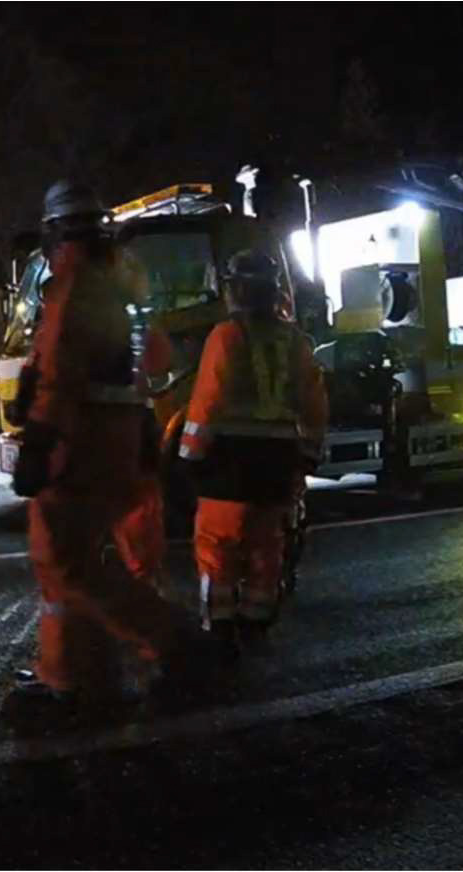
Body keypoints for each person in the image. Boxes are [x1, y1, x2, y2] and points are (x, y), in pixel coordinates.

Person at [10, 180, 176, 703]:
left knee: (70, 562)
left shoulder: (75, 282)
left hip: (79, 441)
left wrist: (38, 438)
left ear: (56, 231)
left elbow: (60, 371)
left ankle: (179, 644)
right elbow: (148, 363)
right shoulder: (114, 284)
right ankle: (78, 673)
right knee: (73, 563)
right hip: (110, 436)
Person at [178, 249, 328, 645]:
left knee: (218, 545)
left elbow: (207, 400)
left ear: (236, 289)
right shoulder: (295, 340)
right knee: (267, 544)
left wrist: (189, 455)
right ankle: (257, 619)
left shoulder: (227, 336)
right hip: (278, 462)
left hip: (228, 462)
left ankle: (221, 625)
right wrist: (308, 453)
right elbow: (314, 403)